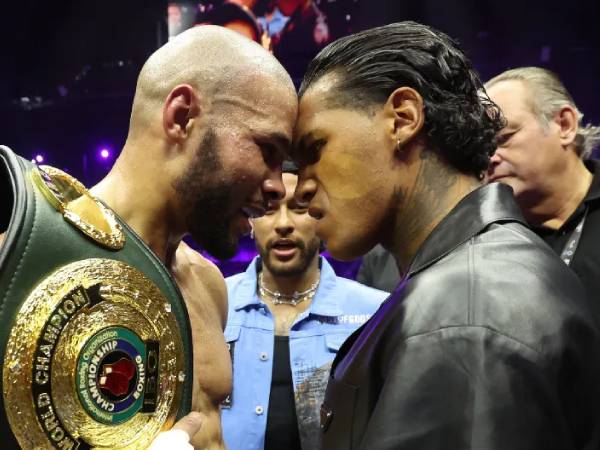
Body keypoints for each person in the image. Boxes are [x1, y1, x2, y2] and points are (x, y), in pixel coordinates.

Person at [292, 21, 600, 449]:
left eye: (314, 149)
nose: (301, 187)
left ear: (403, 118)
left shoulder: (463, 309)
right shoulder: (476, 278)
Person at [90, 25, 297, 449]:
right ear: (182, 116)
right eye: (267, 150)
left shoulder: (207, 283)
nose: (279, 186)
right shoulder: (27, 263)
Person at [221, 162, 386, 450]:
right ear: (250, 221)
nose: (283, 223)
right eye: (269, 209)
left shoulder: (374, 312)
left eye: (298, 208)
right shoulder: (216, 302)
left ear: (320, 216)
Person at [485, 67, 600, 319]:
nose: (490, 158)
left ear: (565, 125)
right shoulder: (481, 238)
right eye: (482, 147)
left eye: (504, 138)